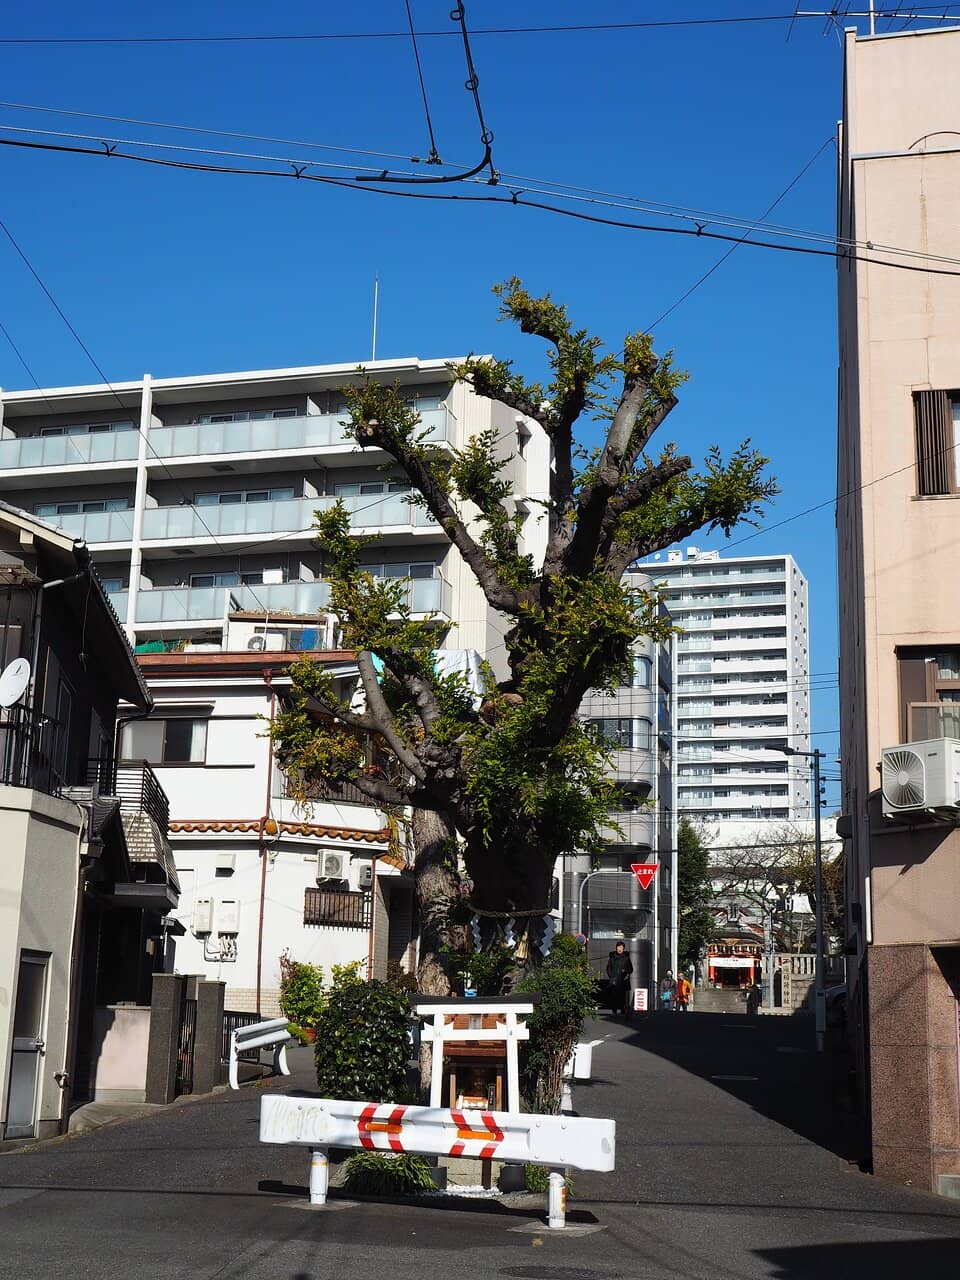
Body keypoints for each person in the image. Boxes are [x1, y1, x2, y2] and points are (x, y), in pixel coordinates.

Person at [605, 941, 633, 1016]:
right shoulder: (612, 958)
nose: (619, 949)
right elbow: (608, 968)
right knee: (613, 996)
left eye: (621, 947)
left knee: (622, 996)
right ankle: (614, 1011)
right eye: (618, 947)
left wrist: (626, 971)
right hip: (614, 980)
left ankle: (622, 1010)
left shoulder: (626, 958)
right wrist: (611, 976)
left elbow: (631, 969)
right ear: (616, 948)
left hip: (623, 980)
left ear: (623, 949)